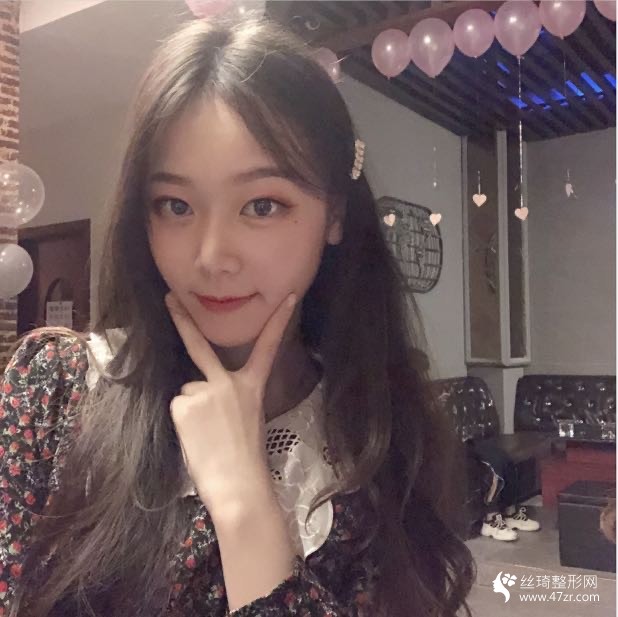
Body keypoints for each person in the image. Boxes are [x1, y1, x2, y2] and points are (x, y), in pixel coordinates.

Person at [0, 14, 475, 617]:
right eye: (175, 205)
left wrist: (247, 505)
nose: (211, 256)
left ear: (333, 214)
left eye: (262, 205)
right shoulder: (61, 388)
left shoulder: (375, 441)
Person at [470, 440, 541, 542]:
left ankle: (509, 514)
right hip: (457, 443)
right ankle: (491, 520)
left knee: (505, 458)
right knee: (493, 460)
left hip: (471, 440)